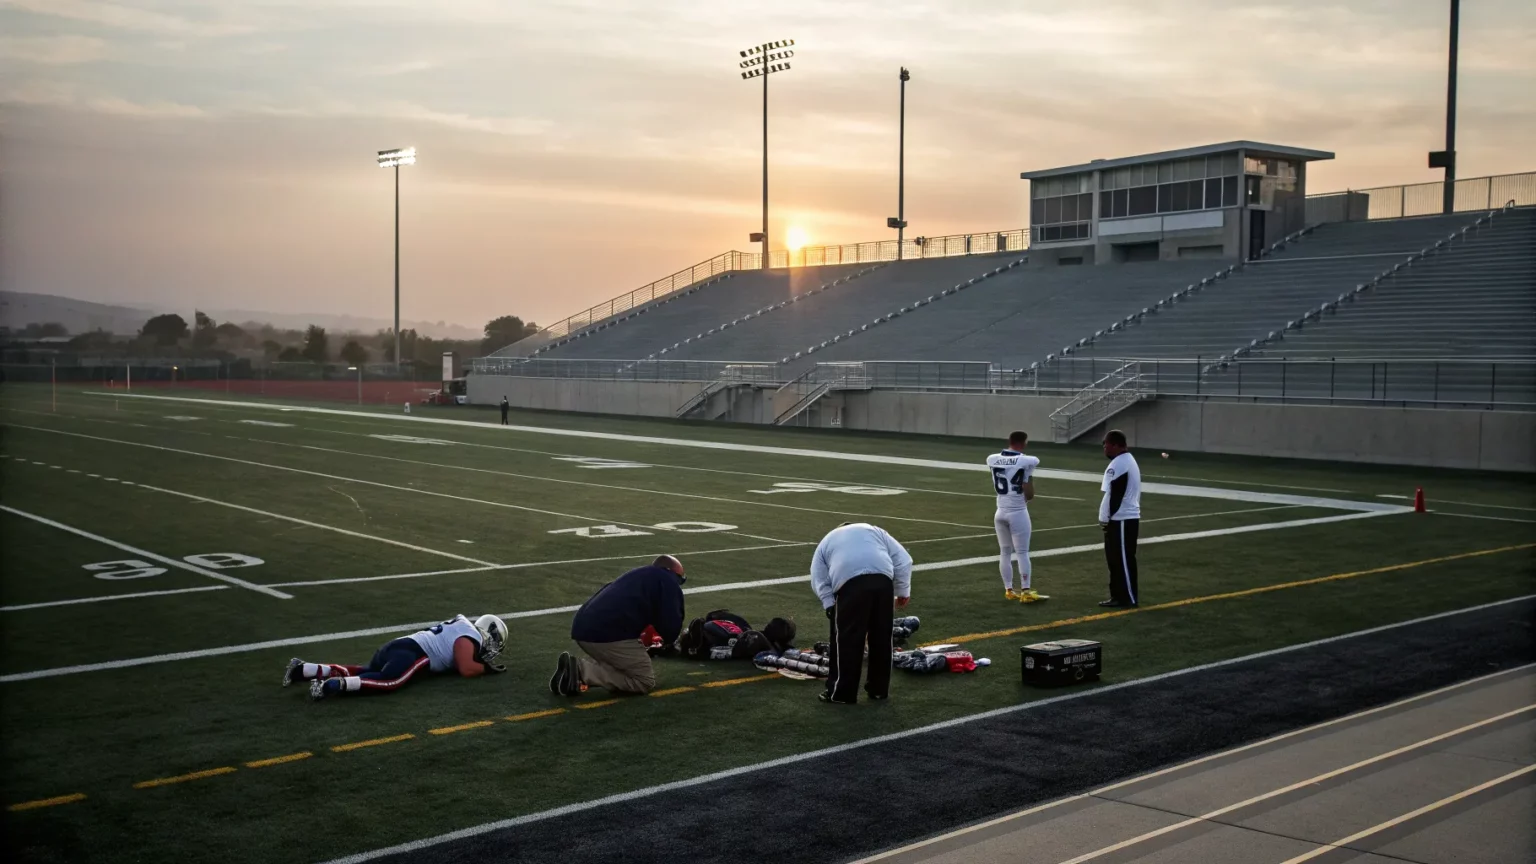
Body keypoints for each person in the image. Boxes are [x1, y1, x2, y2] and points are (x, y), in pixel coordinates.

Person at [284, 613, 507, 701]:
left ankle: (305, 669)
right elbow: (466, 668)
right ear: (489, 634)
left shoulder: (462, 626)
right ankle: (331, 686)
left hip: (399, 645)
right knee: (389, 681)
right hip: (413, 653)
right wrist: (487, 669)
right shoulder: (469, 637)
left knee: (366, 671)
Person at [550, 555, 686, 696]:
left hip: (582, 628)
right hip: (607, 635)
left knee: (625, 664)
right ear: (673, 572)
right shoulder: (667, 581)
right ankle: (582, 671)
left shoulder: (637, 575)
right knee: (643, 680)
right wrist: (668, 642)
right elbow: (671, 623)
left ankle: (572, 673)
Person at [810, 522, 913, 705]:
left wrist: (829, 604)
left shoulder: (827, 539)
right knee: (882, 637)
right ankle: (879, 690)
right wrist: (903, 591)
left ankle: (842, 694)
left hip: (850, 583)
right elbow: (904, 560)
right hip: (883, 581)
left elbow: (818, 576)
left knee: (846, 640)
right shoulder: (875, 531)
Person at [987, 430, 1045, 603]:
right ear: (1024, 442)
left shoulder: (992, 458)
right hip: (1017, 511)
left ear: (1009, 440)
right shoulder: (1029, 460)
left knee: (1004, 552)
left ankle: (1009, 590)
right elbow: (1029, 493)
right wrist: (1027, 477)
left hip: (1000, 511)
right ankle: (1026, 591)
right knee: (1022, 552)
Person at [1099, 429, 1142, 608]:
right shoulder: (1123, 461)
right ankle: (1117, 596)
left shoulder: (1120, 464)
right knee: (1115, 560)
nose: (1104, 448)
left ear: (1116, 445)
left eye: (1106, 444)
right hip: (1119, 519)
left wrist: (1107, 518)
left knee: (1123, 560)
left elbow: (1115, 495)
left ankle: (1128, 598)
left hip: (1122, 519)